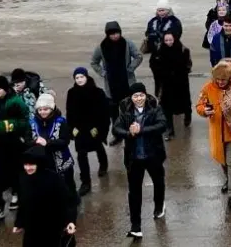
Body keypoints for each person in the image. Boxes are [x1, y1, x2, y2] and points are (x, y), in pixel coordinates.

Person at [113, 82, 167, 239]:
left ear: (145, 95)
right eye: (135, 96)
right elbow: (116, 128)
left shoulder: (154, 107)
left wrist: (141, 130)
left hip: (153, 154)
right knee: (134, 192)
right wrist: (129, 133)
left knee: (158, 181)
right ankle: (135, 226)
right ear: (131, 97)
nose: (138, 99)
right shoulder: (126, 110)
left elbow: (162, 125)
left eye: (141, 95)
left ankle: (159, 205)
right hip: (134, 157)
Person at [196, 59, 231, 210]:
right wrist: (204, 111)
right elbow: (199, 105)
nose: (220, 82)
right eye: (217, 79)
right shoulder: (208, 88)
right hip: (217, 133)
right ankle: (229, 179)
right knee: (223, 160)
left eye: (224, 79)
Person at [0, 75, 30, 222]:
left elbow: (24, 122)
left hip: (13, 143)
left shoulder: (15, 101)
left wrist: (0, 125)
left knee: (15, 169)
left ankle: (16, 193)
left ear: (5, 89)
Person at [13, 145, 78, 247]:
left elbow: (67, 202)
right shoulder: (23, 178)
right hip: (32, 230)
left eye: (31, 165)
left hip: (52, 228)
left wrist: (70, 221)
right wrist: (19, 222)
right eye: (25, 164)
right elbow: (23, 202)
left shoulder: (54, 179)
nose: (28, 168)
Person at [89, 20, 143, 144]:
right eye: (112, 34)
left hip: (127, 82)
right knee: (114, 113)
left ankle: (132, 132)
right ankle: (117, 135)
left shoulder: (127, 43)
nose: (115, 36)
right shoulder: (101, 47)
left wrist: (131, 68)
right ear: (107, 34)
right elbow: (94, 62)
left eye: (117, 33)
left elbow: (139, 56)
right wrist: (103, 73)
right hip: (111, 84)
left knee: (130, 109)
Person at [66, 67, 110, 196]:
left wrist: (99, 129)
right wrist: (71, 128)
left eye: (81, 77)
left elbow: (103, 113)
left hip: (93, 128)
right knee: (81, 154)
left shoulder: (97, 92)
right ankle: (86, 182)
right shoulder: (72, 92)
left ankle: (103, 164)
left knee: (98, 146)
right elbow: (70, 112)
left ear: (87, 77)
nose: (79, 80)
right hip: (79, 129)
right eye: (77, 78)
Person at [29, 93, 77, 197]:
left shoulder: (61, 121)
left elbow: (65, 141)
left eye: (46, 109)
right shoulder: (32, 123)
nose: (42, 112)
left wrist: (48, 143)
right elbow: (27, 140)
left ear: (52, 108)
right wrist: (35, 142)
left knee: (67, 186)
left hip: (61, 162)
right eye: (40, 109)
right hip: (42, 162)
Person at [151, 31, 194, 139]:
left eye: (170, 40)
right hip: (165, 83)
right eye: (166, 40)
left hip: (181, 83)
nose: (168, 42)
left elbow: (189, 65)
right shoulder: (158, 51)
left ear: (174, 39)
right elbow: (153, 65)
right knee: (166, 106)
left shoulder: (183, 50)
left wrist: (180, 71)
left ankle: (188, 116)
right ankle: (170, 129)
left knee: (185, 103)